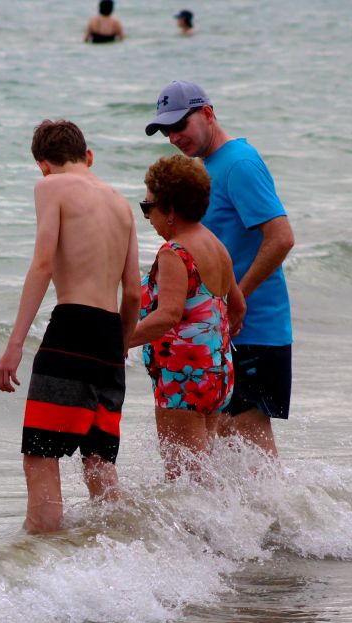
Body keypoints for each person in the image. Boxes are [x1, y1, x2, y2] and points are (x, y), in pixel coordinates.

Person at [0, 119, 140, 534]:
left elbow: (43, 264)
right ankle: (122, 544)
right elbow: (133, 292)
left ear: (43, 164)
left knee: (41, 454)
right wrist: (121, 345)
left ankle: (43, 555)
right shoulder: (121, 203)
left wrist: (15, 344)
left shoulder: (50, 187)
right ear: (87, 156)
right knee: (99, 462)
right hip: (111, 335)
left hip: (72, 327)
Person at [145, 81, 295, 458]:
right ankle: (279, 502)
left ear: (208, 114)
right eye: (166, 131)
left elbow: (281, 238)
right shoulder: (211, 166)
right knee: (230, 452)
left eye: (180, 125)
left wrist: (233, 299)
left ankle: (283, 502)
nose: (174, 137)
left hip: (254, 329)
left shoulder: (238, 163)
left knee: (250, 446)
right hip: (225, 332)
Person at [129, 155, 245, 480]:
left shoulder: (175, 253)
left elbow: (168, 315)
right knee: (202, 475)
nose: (147, 216)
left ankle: (224, 517)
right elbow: (238, 307)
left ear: (170, 210)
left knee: (183, 481)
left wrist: (118, 342)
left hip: (183, 378)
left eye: (148, 206)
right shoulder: (216, 245)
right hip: (217, 374)